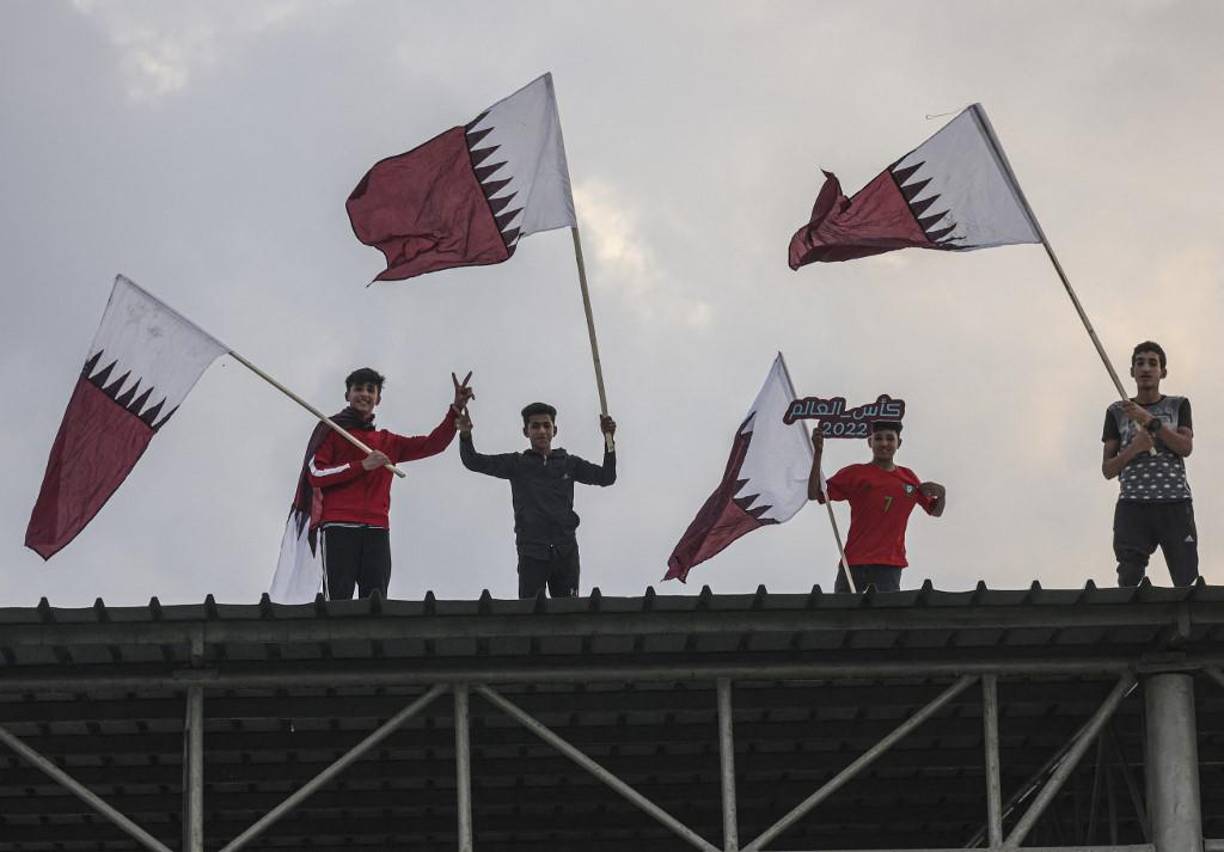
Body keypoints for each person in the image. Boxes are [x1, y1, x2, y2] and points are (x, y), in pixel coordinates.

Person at [305, 367, 474, 599]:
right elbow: (315, 474)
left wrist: (455, 410)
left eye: (370, 390)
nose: (364, 394)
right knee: (337, 602)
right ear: (347, 395)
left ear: (378, 399)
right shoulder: (332, 431)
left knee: (376, 602)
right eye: (358, 389)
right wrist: (362, 465)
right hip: (338, 526)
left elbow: (433, 444)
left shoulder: (388, 441)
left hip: (377, 529)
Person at [457, 402, 616, 598]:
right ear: (526, 431)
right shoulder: (517, 464)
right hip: (531, 552)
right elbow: (473, 461)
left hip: (565, 551)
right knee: (530, 616)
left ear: (554, 430)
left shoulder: (568, 463)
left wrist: (609, 440)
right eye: (535, 426)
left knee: (569, 614)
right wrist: (465, 434)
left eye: (546, 425)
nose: (541, 431)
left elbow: (607, 477)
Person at [808, 420, 945, 592]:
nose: (884, 443)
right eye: (879, 438)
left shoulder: (908, 479)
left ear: (899, 443)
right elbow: (815, 494)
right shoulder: (855, 473)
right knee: (842, 615)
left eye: (890, 439)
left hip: (889, 564)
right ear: (870, 442)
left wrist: (942, 494)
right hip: (854, 562)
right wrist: (818, 453)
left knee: (885, 617)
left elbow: (935, 511)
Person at [1101, 341, 1197, 587]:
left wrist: (1149, 421)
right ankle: (1131, 626)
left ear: (1163, 372)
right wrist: (1135, 448)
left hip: (1174, 503)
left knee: (1186, 579)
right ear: (1131, 371)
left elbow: (1184, 447)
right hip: (1133, 505)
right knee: (1129, 579)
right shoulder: (1117, 411)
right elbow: (1108, 469)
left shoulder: (1178, 405)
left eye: (1153, 363)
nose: (1146, 368)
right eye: (1140, 363)